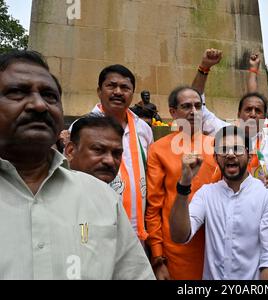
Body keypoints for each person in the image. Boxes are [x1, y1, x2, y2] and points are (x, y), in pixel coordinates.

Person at [0, 50, 154, 280]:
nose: (39, 105)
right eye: (17, 93)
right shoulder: (82, 126)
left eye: (50, 96)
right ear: (70, 148)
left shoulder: (102, 197)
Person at [170, 126, 268, 280]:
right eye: (224, 149)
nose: (230, 154)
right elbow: (179, 236)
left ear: (250, 156)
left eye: (237, 149)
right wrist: (184, 183)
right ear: (215, 157)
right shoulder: (206, 194)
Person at [145, 86, 222, 280]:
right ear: (173, 112)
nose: (193, 112)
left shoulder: (219, 146)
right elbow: (154, 207)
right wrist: (157, 256)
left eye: (198, 106)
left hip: (216, 244)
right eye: (186, 106)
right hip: (177, 250)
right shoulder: (159, 150)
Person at [193, 49, 268, 188]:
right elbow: (198, 106)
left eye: (258, 111)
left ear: (265, 116)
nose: (253, 114)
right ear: (238, 114)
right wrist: (204, 68)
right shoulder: (223, 132)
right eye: (248, 109)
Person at [90, 64, 154, 243]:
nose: (118, 92)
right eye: (111, 86)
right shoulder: (84, 128)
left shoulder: (143, 129)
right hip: (97, 231)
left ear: (132, 94)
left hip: (138, 233)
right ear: (99, 91)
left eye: (125, 88)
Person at [65, 114, 124, 184]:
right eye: (98, 150)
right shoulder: (52, 192)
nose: (110, 161)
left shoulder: (112, 194)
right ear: (70, 151)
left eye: (117, 153)